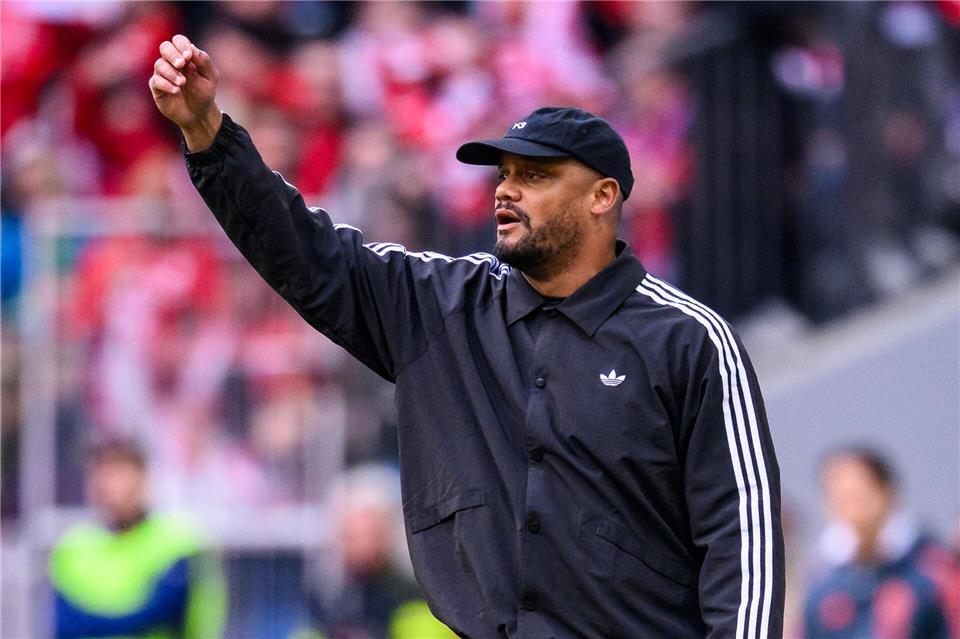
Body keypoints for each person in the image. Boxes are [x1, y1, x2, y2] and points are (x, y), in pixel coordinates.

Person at [149, 34, 785, 638]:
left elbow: (742, 537)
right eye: (503, 174)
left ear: (603, 196)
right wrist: (208, 133)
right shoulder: (439, 305)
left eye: (535, 176)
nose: (506, 189)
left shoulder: (689, 339)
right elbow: (307, 254)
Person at [49, 438, 226, 639]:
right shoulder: (71, 548)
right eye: (103, 473)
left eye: (120, 472)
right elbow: (63, 625)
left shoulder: (181, 543)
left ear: (143, 476)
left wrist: (91, 623)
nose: (112, 485)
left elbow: (158, 615)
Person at [802, 446, 959, 639]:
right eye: (841, 499)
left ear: (887, 493)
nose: (853, 512)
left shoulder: (931, 569)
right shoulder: (822, 578)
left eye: (859, 497)